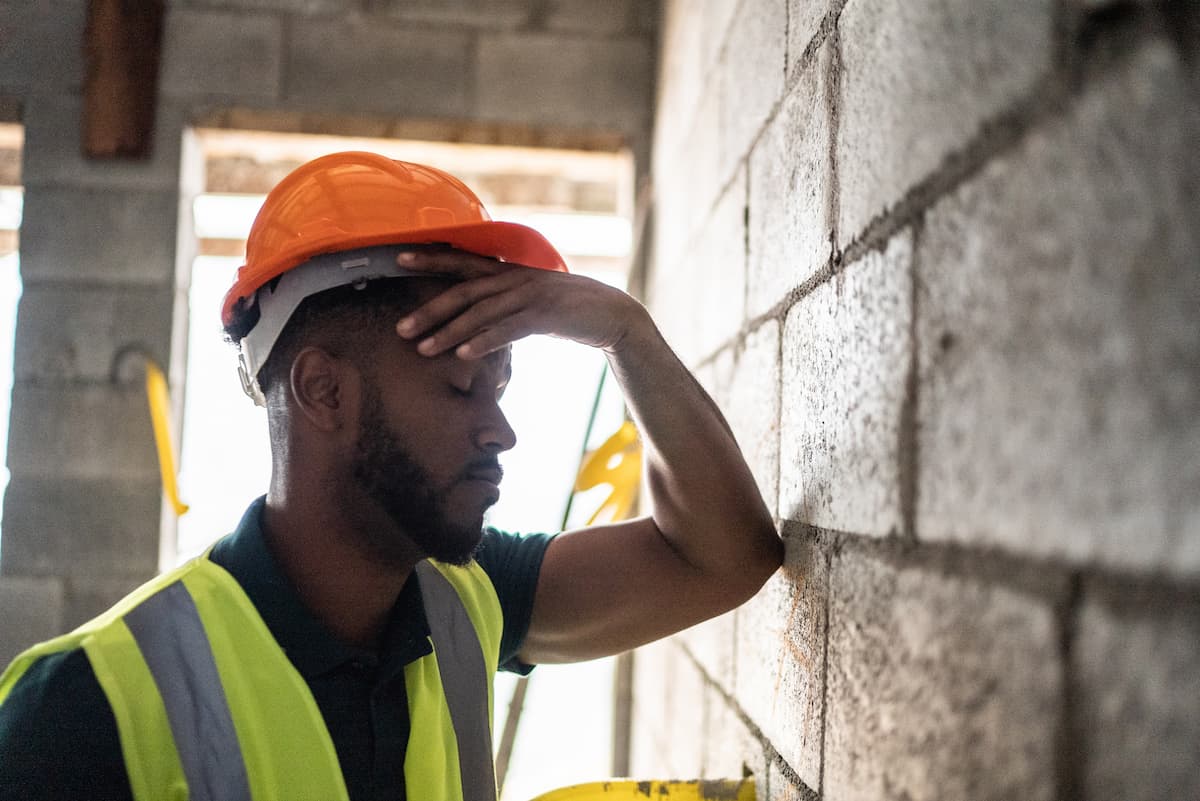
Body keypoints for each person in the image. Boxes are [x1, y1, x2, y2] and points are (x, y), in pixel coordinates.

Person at [0, 152, 782, 800]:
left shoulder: (463, 601)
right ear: (324, 391)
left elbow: (723, 557)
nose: (499, 429)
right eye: (459, 387)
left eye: (499, 387)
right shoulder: (84, 709)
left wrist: (623, 332)